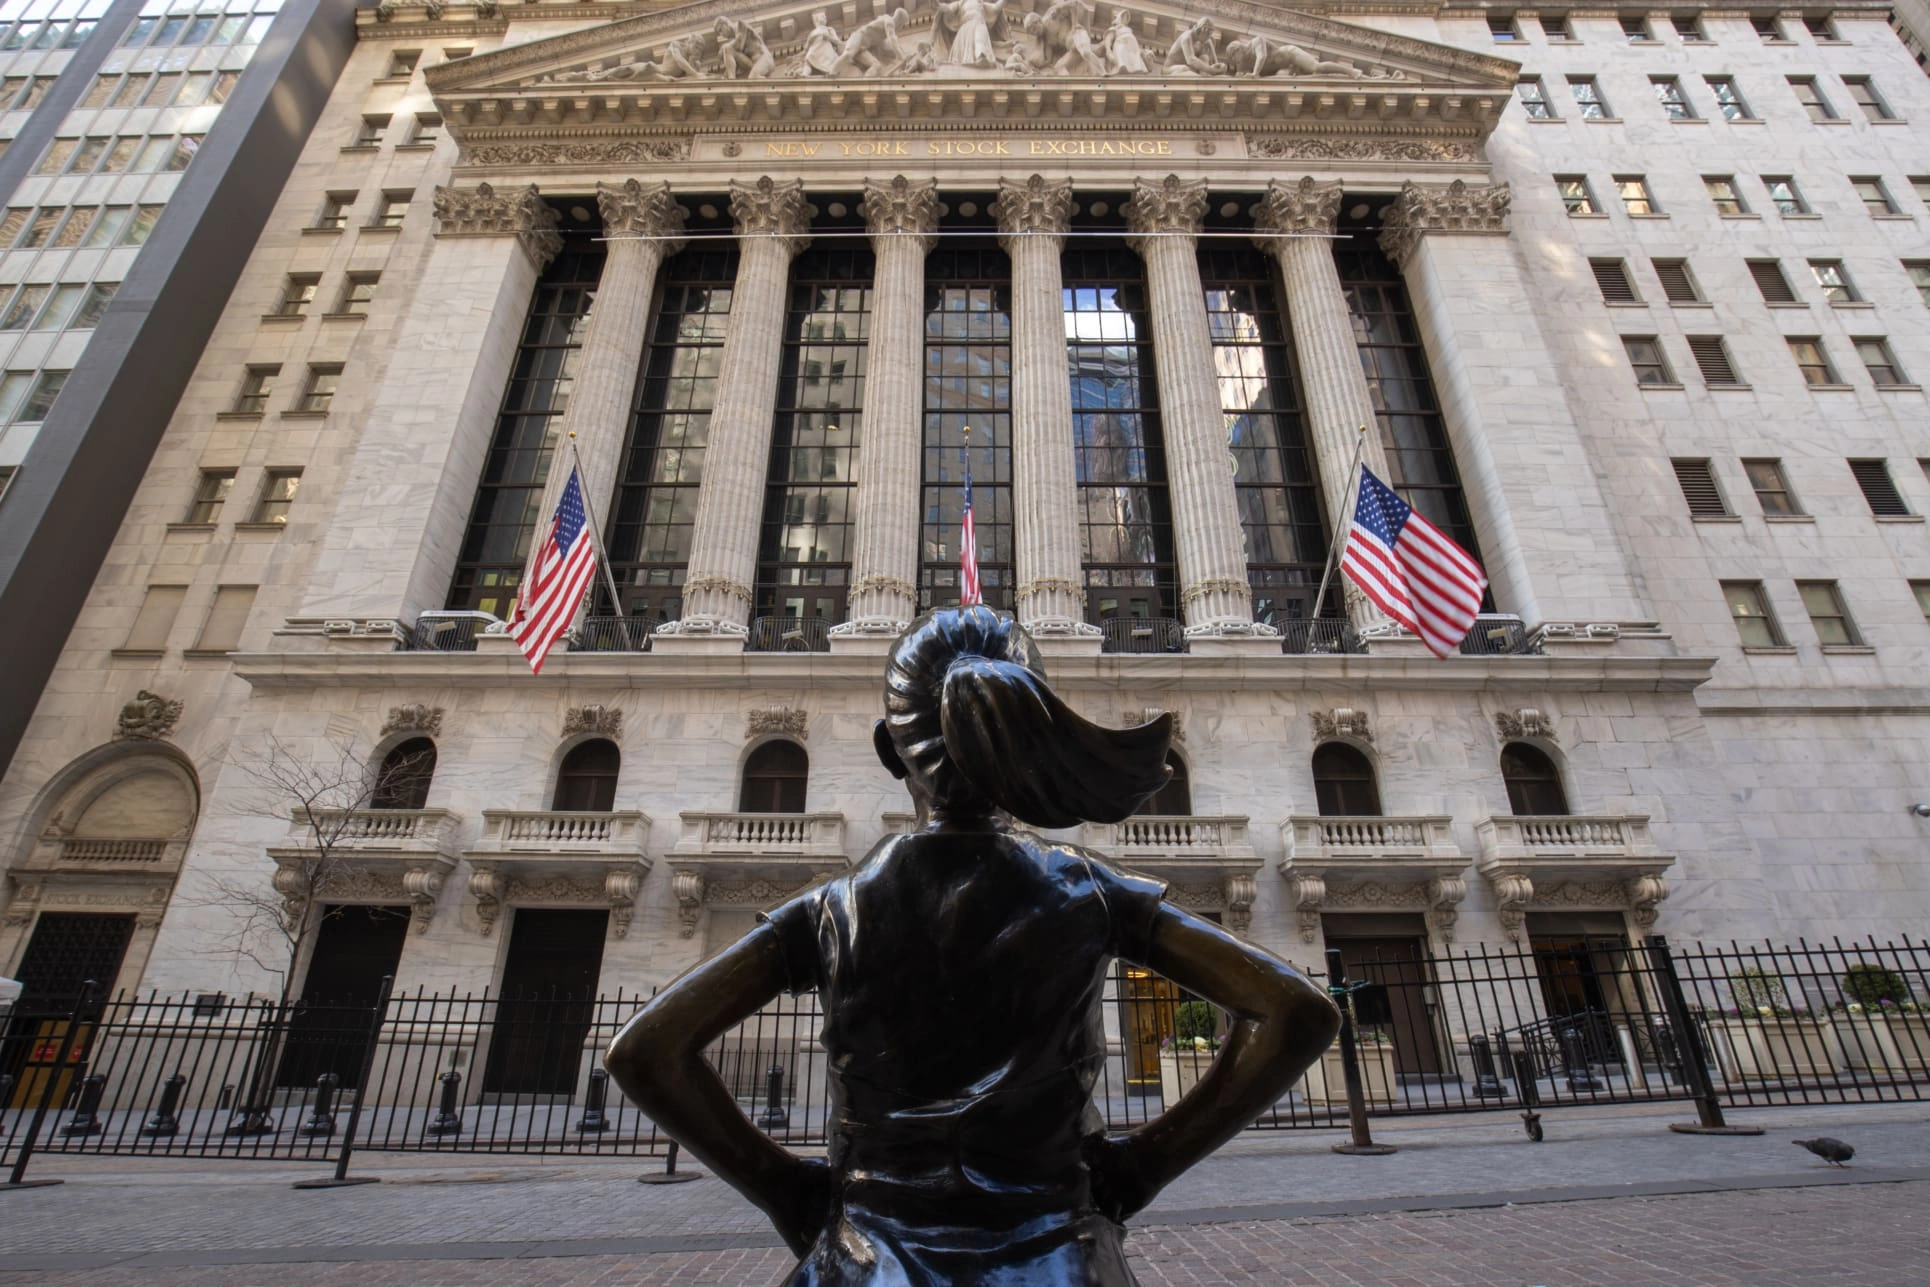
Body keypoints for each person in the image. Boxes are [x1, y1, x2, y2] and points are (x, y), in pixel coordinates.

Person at [607, 607, 1339, 1285]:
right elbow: (1296, 1011)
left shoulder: (833, 909)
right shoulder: (1088, 890)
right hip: (1058, 1259)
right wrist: (1140, 1169)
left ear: (888, 751)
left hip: (867, 1262)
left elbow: (645, 1051)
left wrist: (788, 1192)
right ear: (1033, 737)